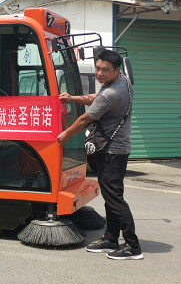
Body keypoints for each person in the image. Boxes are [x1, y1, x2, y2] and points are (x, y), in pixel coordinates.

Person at [57, 50, 142, 260]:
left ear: (116, 70)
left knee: (114, 198)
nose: (99, 73)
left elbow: (86, 119)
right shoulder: (123, 83)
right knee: (110, 196)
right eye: (97, 68)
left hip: (113, 151)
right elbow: (96, 98)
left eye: (105, 70)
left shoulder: (112, 93)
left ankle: (133, 246)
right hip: (115, 148)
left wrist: (66, 134)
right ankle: (110, 239)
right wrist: (72, 97)